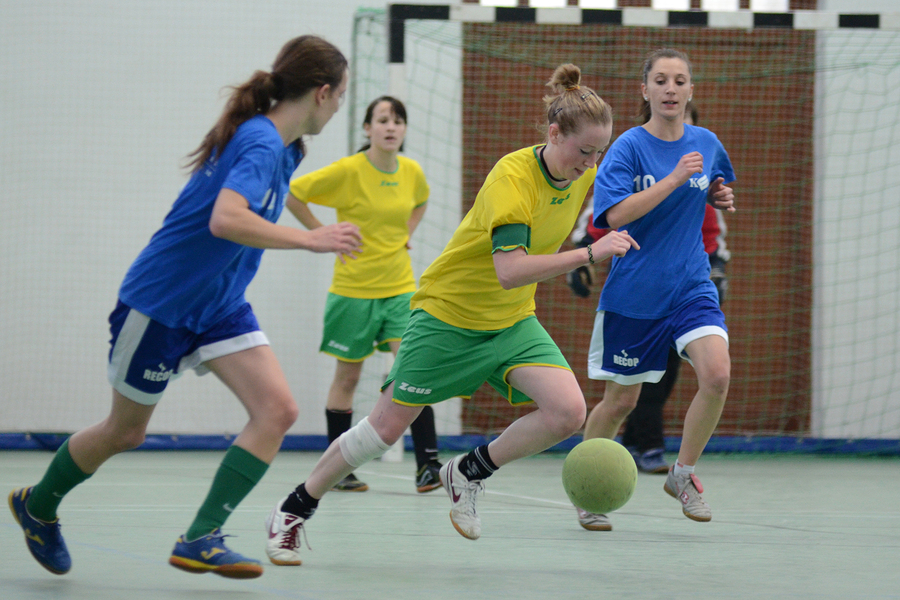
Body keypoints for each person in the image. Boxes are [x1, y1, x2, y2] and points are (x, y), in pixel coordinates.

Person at [8, 35, 361, 580]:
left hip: (219, 306)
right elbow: (226, 219)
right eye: (340, 96)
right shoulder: (261, 142)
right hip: (161, 304)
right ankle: (39, 505)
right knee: (125, 432)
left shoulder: (288, 150)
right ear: (321, 92)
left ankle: (201, 537)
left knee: (277, 411)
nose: (338, 107)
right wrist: (310, 240)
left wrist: (311, 234)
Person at [263, 63, 638, 566]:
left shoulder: (580, 174)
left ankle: (468, 472)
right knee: (384, 429)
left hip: (510, 321)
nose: (592, 163)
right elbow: (510, 270)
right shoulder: (512, 178)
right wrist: (589, 254)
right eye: (585, 151)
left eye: (600, 152)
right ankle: (293, 508)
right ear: (554, 134)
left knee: (568, 412)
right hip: (449, 316)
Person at [577, 48, 735, 532]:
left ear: (691, 90)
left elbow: (714, 184)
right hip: (636, 293)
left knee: (717, 375)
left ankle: (682, 474)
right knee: (620, 402)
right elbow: (613, 216)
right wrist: (674, 179)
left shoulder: (707, 143)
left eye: (680, 80)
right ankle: (586, 489)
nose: (670, 89)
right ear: (644, 90)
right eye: (661, 80)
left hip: (691, 284)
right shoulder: (628, 146)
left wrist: (718, 194)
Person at [286, 95, 442, 494]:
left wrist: (406, 232)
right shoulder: (348, 170)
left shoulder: (411, 172)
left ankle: (428, 465)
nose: (391, 127)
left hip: (400, 288)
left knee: (413, 368)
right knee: (348, 376)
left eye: (398, 120)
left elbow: (421, 201)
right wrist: (322, 234)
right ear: (368, 128)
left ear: (404, 130)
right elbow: (293, 193)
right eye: (383, 120)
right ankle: (339, 470)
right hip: (353, 291)